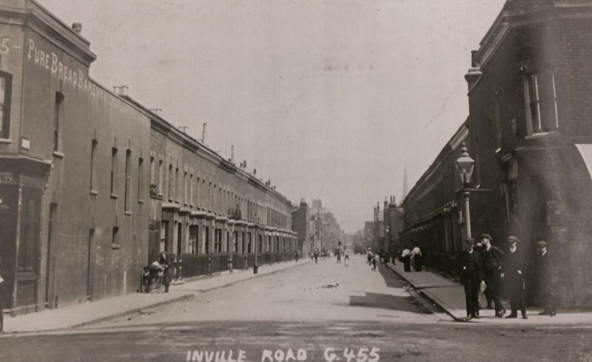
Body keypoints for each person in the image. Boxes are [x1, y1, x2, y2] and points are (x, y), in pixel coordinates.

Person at [456, 238, 485, 321]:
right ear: (466, 245)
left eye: (472, 244)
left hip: (476, 277)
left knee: (475, 295)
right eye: (469, 244)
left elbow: (480, 267)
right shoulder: (462, 254)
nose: (470, 246)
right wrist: (463, 267)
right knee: (468, 295)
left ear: (473, 245)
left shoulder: (477, 254)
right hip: (467, 278)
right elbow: (457, 265)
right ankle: (469, 313)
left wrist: (482, 279)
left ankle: (476, 313)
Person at [501, 236, 527, 319]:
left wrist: (521, 271)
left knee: (520, 295)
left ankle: (524, 313)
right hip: (510, 276)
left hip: (518, 276)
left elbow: (525, 264)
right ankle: (513, 313)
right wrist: (503, 272)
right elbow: (504, 263)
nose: (511, 244)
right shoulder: (507, 253)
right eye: (510, 243)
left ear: (516, 243)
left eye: (512, 242)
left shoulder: (520, 252)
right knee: (512, 295)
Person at [480, 234, 505, 317]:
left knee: (496, 291)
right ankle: (501, 307)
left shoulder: (494, 249)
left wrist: (501, 266)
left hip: (495, 272)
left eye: (483, 239)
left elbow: (504, 256)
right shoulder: (483, 250)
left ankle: (498, 312)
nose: (482, 240)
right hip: (487, 273)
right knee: (490, 290)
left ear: (488, 240)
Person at [536, 241, 557, 317]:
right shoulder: (539, 255)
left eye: (542, 247)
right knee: (544, 293)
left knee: (550, 293)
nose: (541, 248)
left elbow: (552, 267)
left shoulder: (549, 255)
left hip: (549, 277)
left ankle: (552, 310)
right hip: (542, 277)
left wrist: (551, 276)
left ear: (545, 247)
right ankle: (546, 309)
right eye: (540, 247)